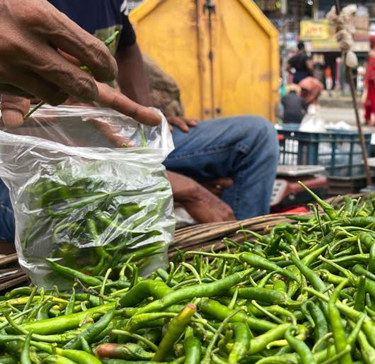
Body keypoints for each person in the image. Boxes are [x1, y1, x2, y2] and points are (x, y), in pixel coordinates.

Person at [0, 0, 279, 245]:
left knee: (254, 137)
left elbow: (128, 48)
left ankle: (240, 251)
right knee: (55, 209)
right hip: (48, 154)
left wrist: (150, 118)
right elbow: (23, 126)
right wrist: (154, 178)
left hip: (121, 141)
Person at [0, 0, 161, 128]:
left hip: (105, 121)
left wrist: (150, 121)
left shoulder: (114, 3)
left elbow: (128, 49)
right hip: (49, 129)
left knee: (183, 143)